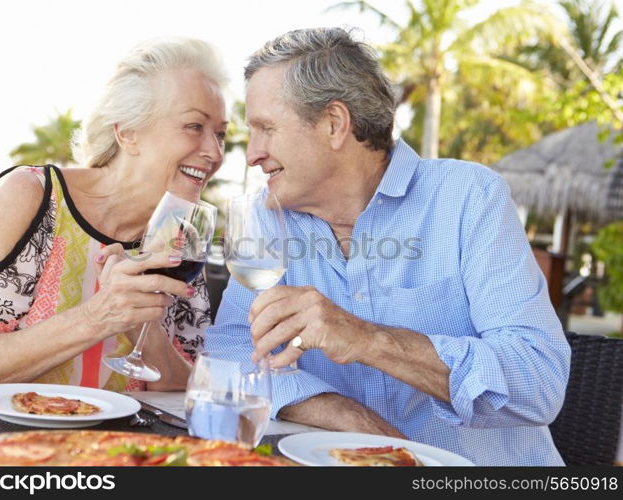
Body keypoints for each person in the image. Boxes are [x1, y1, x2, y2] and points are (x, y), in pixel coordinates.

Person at [206, 27, 570, 466]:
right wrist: (349, 418)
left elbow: (537, 382)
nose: (252, 154)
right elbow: (230, 351)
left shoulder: (469, 197)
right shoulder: (263, 217)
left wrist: (366, 339)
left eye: (266, 128)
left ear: (334, 124)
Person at [0, 38, 229, 392]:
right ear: (127, 133)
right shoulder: (31, 197)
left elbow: (188, 391)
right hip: (8, 442)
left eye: (220, 134)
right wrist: (97, 317)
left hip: (124, 447)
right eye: (195, 126)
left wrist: (147, 331)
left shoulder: (181, 238)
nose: (214, 152)